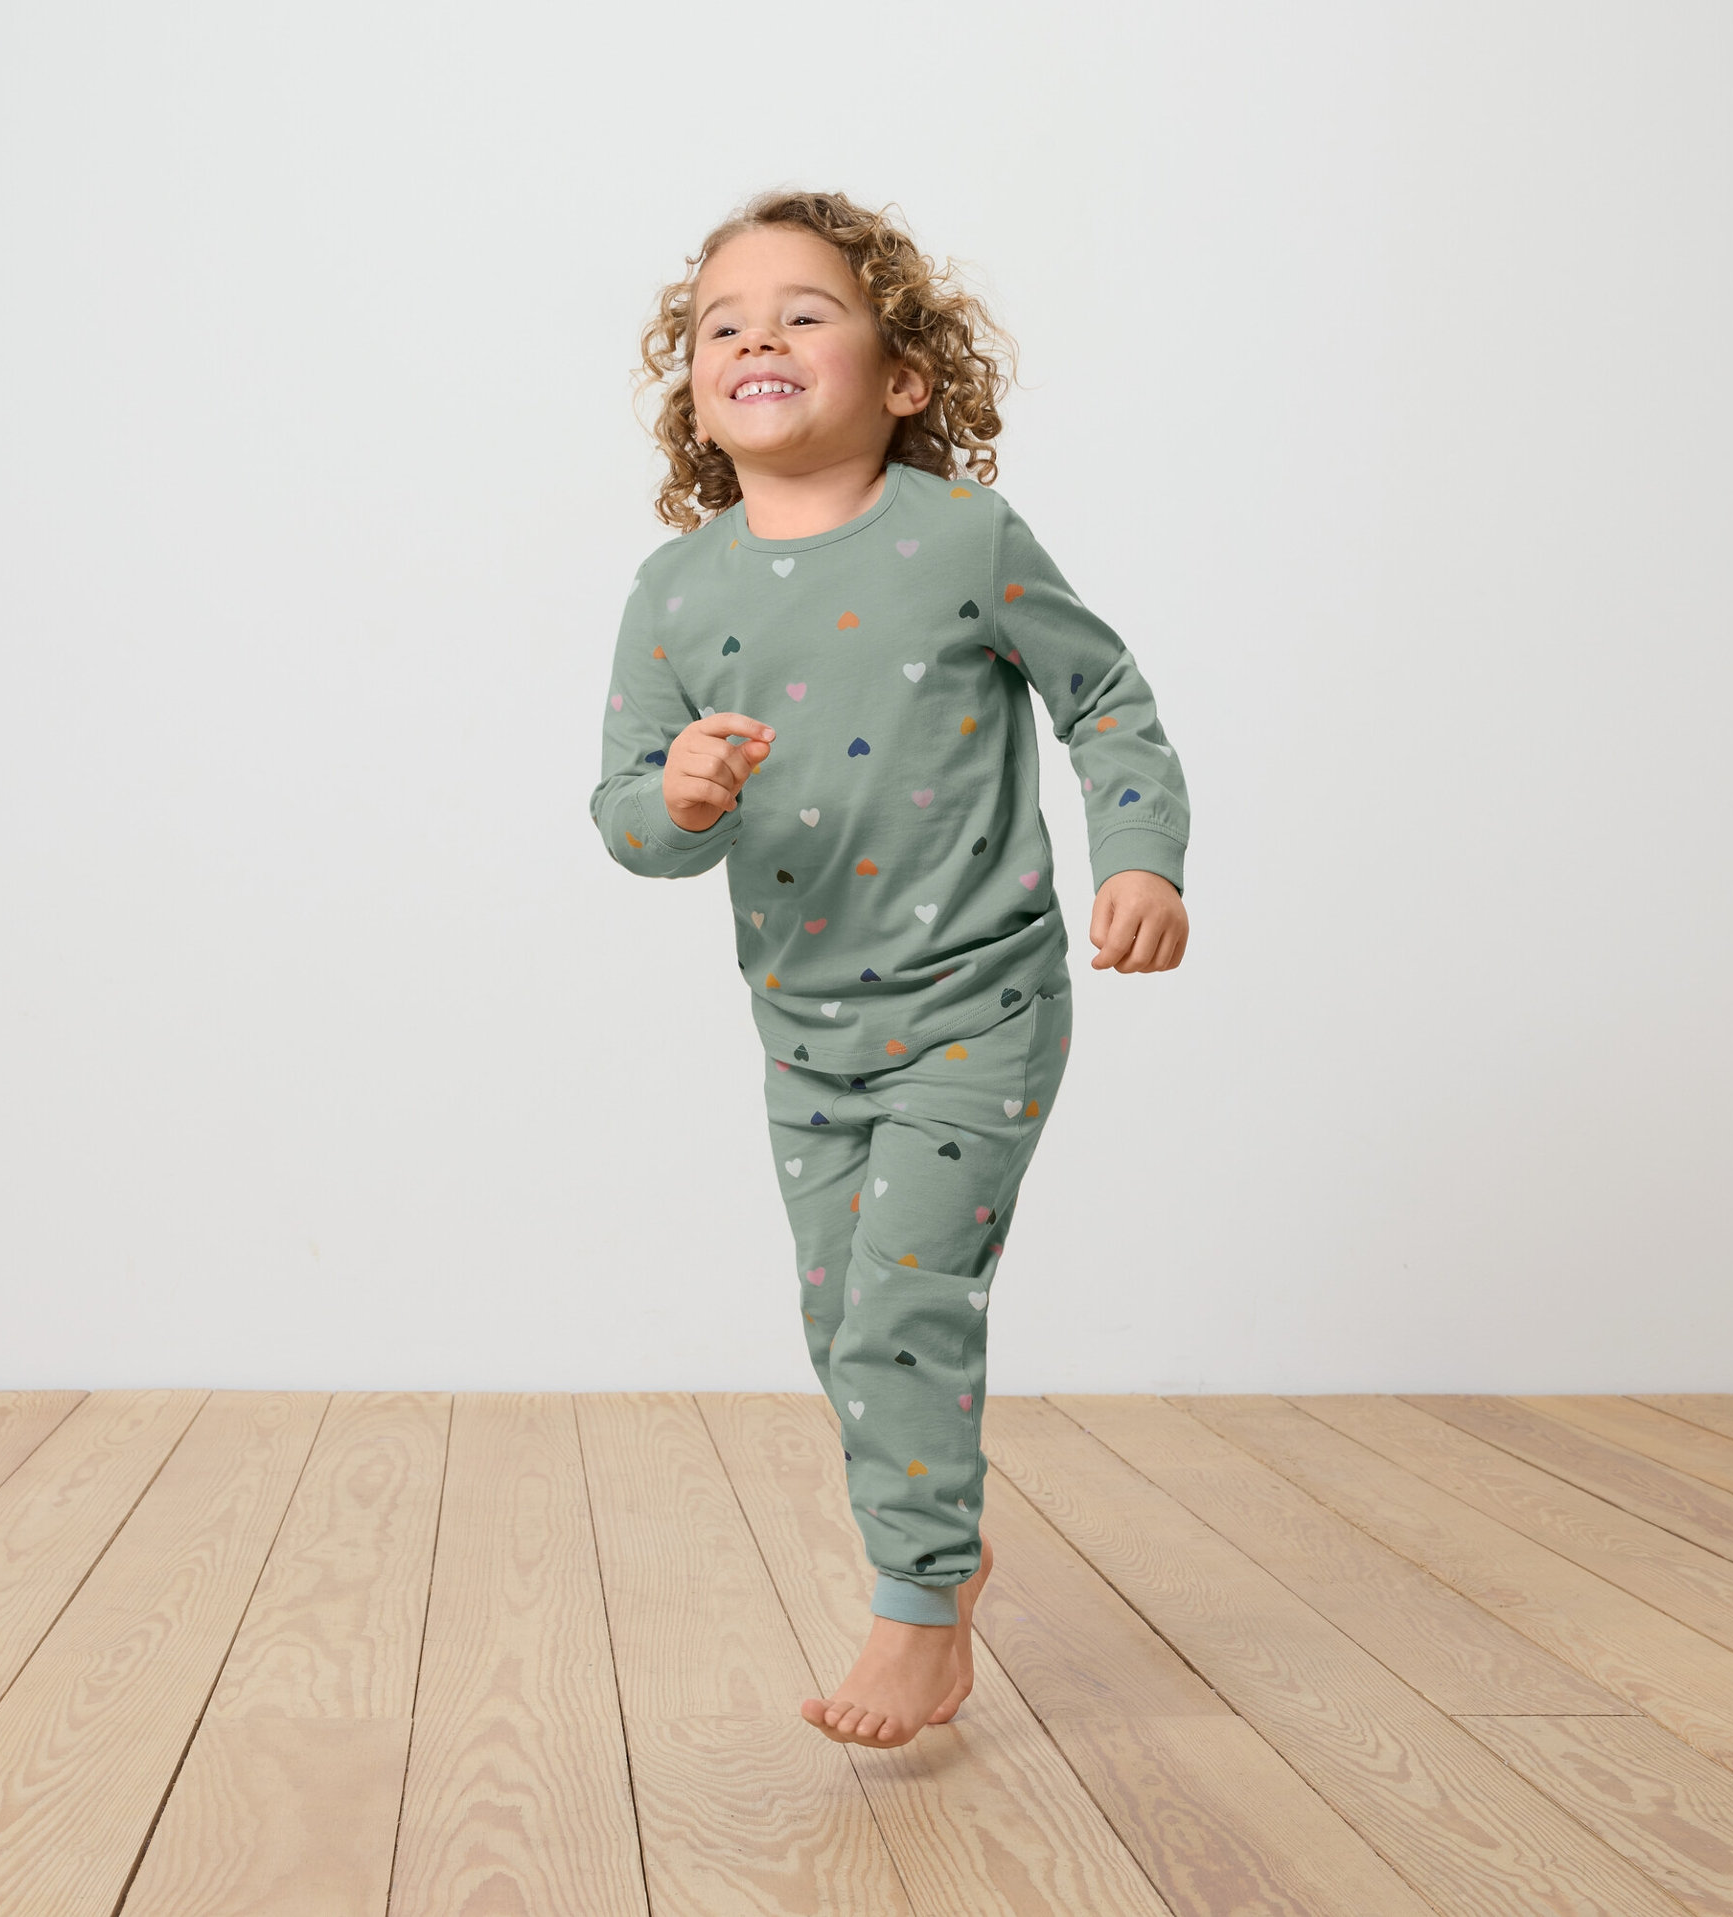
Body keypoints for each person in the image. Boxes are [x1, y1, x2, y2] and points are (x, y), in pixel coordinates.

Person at [589, 189, 1192, 1748]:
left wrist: (1139, 854)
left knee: (897, 1315)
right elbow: (628, 824)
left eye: (803, 311)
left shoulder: (962, 539)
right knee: (842, 1324)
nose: (758, 338)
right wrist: (680, 799)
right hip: (802, 1033)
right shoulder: (675, 593)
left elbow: (1107, 698)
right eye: (722, 324)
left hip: (976, 1008)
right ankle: (946, 1546)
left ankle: (916, 1614)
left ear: (904, 378)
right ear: (693, 392)